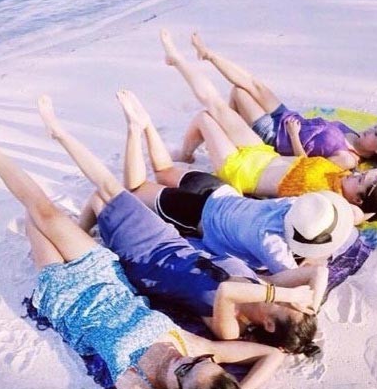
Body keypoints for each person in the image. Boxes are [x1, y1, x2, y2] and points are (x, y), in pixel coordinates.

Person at [0, 109, 284, 389]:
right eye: (203, 363)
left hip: (64, 294)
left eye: (186, 370)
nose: (185, 359)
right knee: (42, 209)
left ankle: (23, 196)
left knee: (36, 220)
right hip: (103, 274)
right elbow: (272, 355)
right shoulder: (196, 349)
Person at [37, 93, 321, 356]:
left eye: (289, 308)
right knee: (104, 196)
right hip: (172, 241)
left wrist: (286, 294)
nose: (291, 301)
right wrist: (310, 304)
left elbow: (227, 291)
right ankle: (82, 225)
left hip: (149, 260)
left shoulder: (234, 326)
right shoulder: (264, 284)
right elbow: (318, 271)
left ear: (270, 326)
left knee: (108, 191)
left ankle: (64, 133)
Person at [112, 90, 351, 298]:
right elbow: (295, 276)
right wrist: (314, 261)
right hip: (195, 213)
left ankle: (148, 125)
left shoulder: (292, 204)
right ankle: (135, 129)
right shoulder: (272, 245)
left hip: (219, 189)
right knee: (136, 189)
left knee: (165, 171)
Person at [160, 29, 377, 223]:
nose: (356, 176)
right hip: (263, 154)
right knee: (221, 107)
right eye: (361, 175)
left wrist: (376, 209)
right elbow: (308, 163)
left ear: (357, 199)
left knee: (207, 114)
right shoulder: (339, 172)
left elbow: (359, 215)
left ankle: (178, 62)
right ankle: (186, 154)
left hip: (243, 171)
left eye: (359, 181)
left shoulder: (332, 202)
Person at [189, 32, 377, 169]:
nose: (370, 130)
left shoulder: (348, 160)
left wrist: (293, 135)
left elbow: (307, 167)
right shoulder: (355, 135)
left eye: (375, 134)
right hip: (289, 116)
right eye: (375, 127)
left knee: (239, 92)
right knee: (253, 84)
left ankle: (226, 132)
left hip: (277, 135)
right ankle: (209, 55)